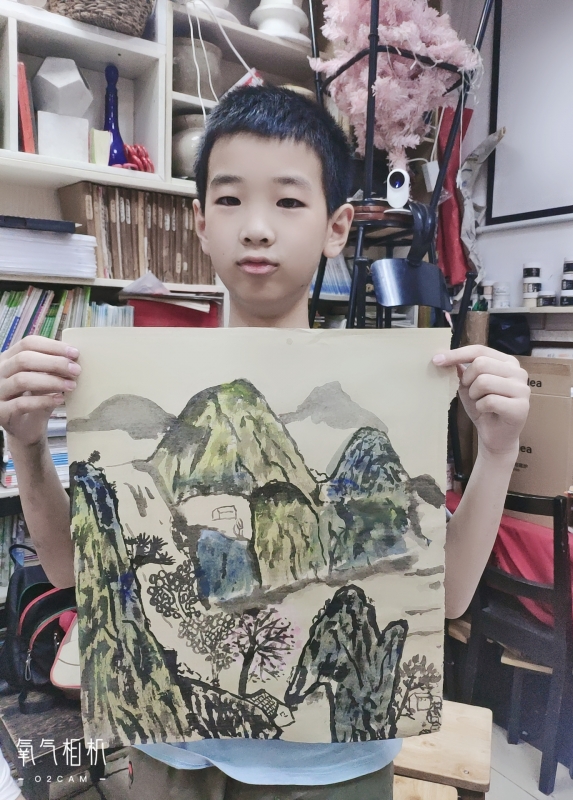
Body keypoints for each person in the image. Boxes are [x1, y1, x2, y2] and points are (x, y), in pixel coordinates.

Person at [0, 86, 529, 800]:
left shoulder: (396, 388)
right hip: (170, 759)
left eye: (287, 200)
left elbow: (453, 596)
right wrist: (28, 444)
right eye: (229, 199)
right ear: (199, 223)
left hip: (334, 771)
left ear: (336, 227)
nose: (256, 228)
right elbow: (73, 574)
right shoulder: (130, 378)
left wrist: (497, 451)